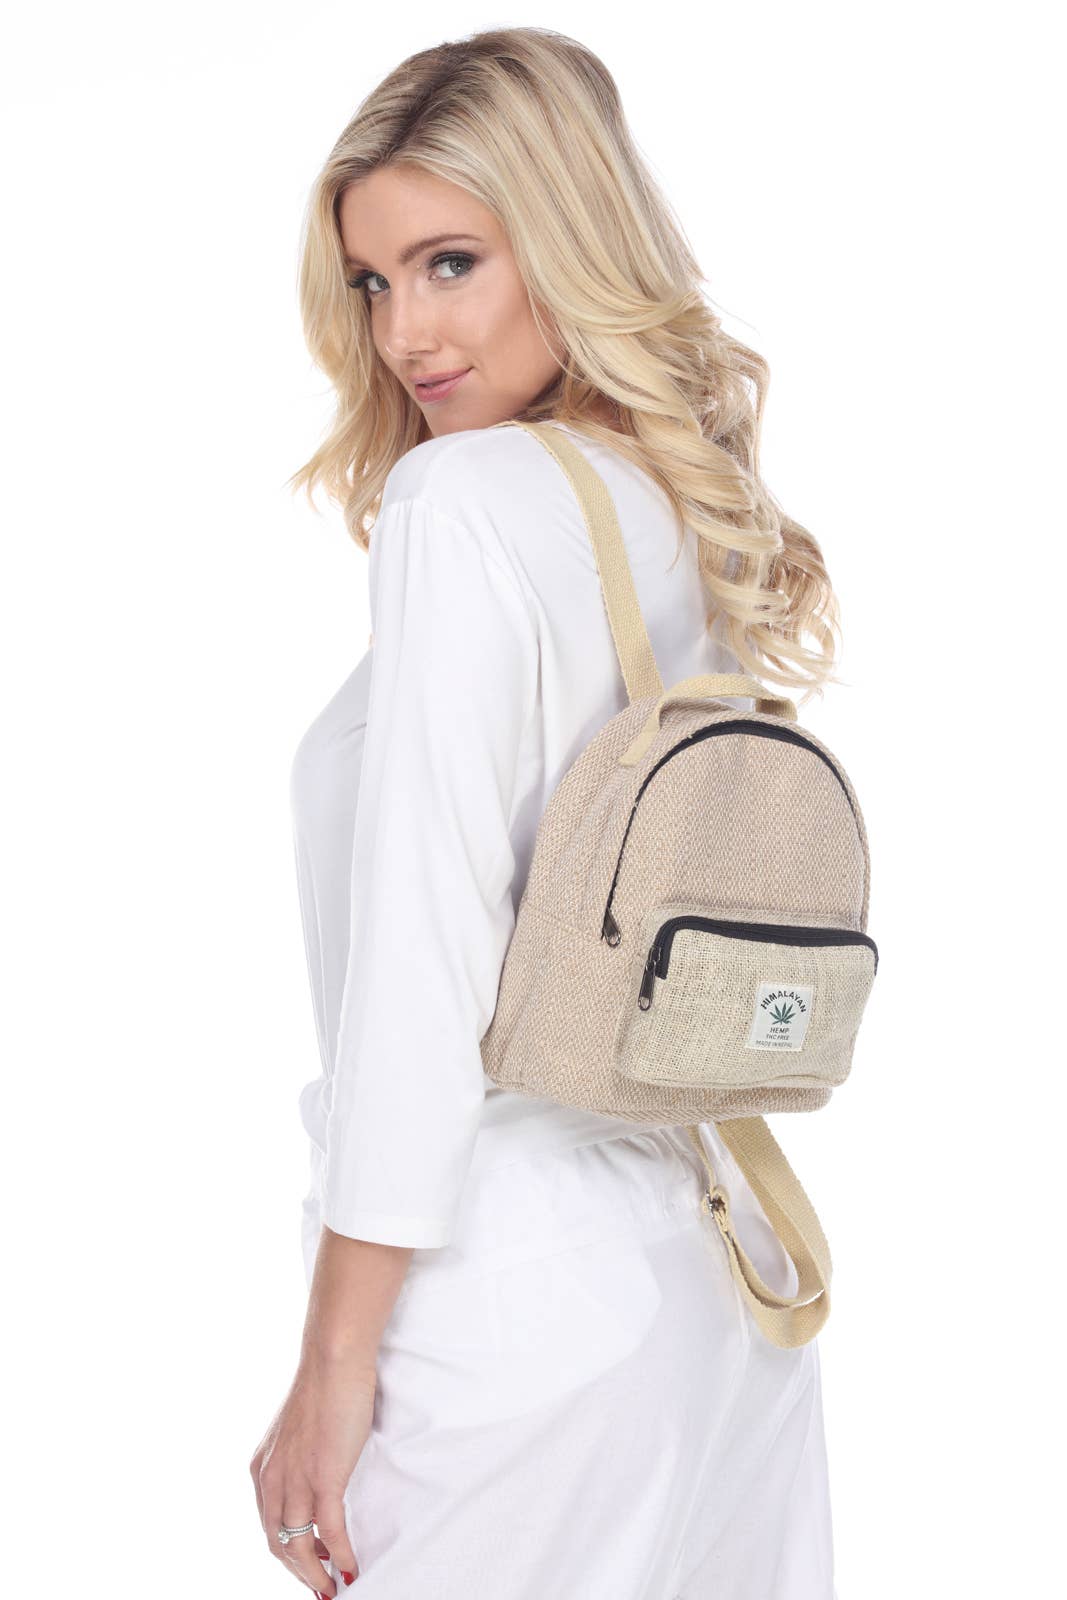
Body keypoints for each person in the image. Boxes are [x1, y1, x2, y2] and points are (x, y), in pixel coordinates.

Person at [249, 26, 843, 1600]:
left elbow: (426, 966)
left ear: (568, 237)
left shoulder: (462, 504)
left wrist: (333, 1363)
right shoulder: (675, 501)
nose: (405, 332)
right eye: (373, 282)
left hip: (509, 1291)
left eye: (451, 262)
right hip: (720, 1267)